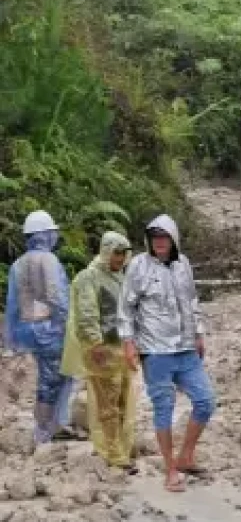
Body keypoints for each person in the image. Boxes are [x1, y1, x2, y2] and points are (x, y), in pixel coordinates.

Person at [117, 214, 214, 493]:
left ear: (173, 239)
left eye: (164, 237)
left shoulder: (183, 265)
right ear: (149, 241)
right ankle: (170, 469)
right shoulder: (138, 266)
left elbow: (192, 301)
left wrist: (199, 333)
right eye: (154, 238)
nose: (159, 242)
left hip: (185, 348)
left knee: (206, 400)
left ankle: (186, 456)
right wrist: (128, 343)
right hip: (155, 350)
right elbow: (126, 308)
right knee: (164, 407)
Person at [62, 231, 137, 472]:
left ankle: (121, 447)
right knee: (108, 403)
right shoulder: (89, 277)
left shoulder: (122, 278)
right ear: (106, 251)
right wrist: (95, 344)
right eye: (116, 253)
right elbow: (87, 313)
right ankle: (113, 454)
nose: (120, 258)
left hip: (122, 349)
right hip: (103, 350)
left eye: (124, 253)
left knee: (124, 400)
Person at [4, 210, 73, 445]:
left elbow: (12, 304)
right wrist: (67, 323)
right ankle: (45, 429)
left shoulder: (17, 265)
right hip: (49, 328)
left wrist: (10, 337)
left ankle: (56, 422)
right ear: (45, 235)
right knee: (52, 377)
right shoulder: (49, 261)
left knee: (56, 375)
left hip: (26, 327)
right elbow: (57, 297)